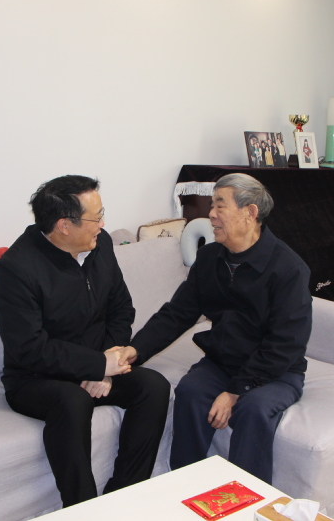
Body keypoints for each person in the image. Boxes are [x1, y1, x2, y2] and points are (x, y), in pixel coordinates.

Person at [0, 175, 171, 507]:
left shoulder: (100, 245)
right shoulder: (16, 269)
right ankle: (83, 509)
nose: (102, 225)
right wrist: (98, 365)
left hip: (96, 366)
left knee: (154, 386)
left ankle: (125, 498)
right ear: (64, 225)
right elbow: (30, 349)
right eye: (96, 218)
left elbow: (121, 308)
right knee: (73, 401)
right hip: (36, 379)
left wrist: (107, 364)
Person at [119, 173, 312, 484]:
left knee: (252, 410)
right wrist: (135, 349)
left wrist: (236, 391)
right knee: (190, 392)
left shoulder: (288, 269)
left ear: (250, 213)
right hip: (223, 363)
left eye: (220, 205)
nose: (210, 214)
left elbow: (285, 344)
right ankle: (185, 487)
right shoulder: (210, 257)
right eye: (212, 205)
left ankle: (248, 500)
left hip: (275, 372)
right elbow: (177, 314)